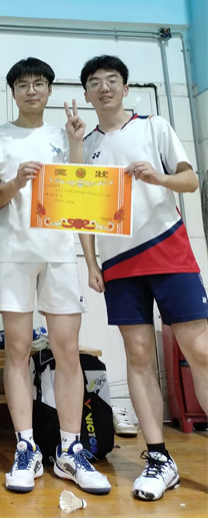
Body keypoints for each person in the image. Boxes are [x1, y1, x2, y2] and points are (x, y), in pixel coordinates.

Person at [77, 54, 208, 501]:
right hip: (119, 263)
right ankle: (159, 459)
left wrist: (159, 178)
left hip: (169, 251)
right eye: (95, 82)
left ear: (125, 88)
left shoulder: (154, 126)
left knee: (200, 350)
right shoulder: (85, 145)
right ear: (87, 93)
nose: (104, 87)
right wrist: (91, 263)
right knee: (137, 355)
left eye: (112, 80)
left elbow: (190, 181)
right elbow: (83, 213)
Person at [0, 57, 110, 495]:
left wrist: (75, 144)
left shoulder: (65, 134)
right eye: (23, 85)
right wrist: (16, 182)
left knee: (67, 350)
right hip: (13, 253)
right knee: (18, 349)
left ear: (50, 91)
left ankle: (70, 450)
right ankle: (26, 447)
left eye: (39, 84)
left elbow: (79, 196)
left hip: (58, 253)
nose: (32, 91)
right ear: (13, 92)